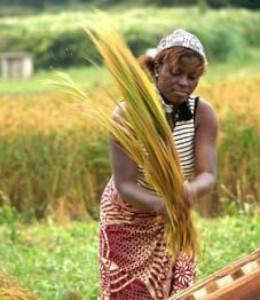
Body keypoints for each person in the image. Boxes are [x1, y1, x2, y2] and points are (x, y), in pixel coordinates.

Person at [98, 29, 218, 300]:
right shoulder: (129, 114)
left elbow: (208, 174)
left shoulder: (203, 113)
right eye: (176, 73)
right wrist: (161, 205)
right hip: (129, 214)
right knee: (130, 293)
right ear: (157, 68)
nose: (184, 83)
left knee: (180, 289)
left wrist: (186, 194)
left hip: (176, 211)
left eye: (192, 77)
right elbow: (125, 183)